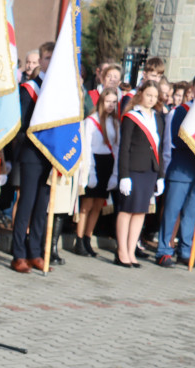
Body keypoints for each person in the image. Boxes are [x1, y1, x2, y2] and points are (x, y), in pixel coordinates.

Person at [9, 41, 52, 273]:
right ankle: (18, 254)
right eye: (46, 58)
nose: (49, 62)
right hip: (31, 154)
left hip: (51, 156)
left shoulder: (59, 89)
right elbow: (21, 125)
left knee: (42, 206)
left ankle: (35, 251)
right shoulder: (30, 88)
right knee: (26, 204)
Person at [156, 72, 195, 268]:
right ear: (192, 88)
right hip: (181, 168)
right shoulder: (182, 110)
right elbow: (175, 140)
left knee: (192, 214)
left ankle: (186, 251)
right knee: (171, 212)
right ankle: (164, 250)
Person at [115, 82, 163, 268]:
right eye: (148, 95)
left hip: (150, 171)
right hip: (133, 170)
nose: (151, 99)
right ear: (141, 94)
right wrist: (124, 175)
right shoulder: (131, 117)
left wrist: (160, 175)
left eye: (155, 96)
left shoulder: (157, 118)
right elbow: (124, 148)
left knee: (140, 212)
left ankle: (131, 249)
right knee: (127, 210)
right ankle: (121, 252)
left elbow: (159, 147)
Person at [74, 86, 120, 257]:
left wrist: (115, 173)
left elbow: (116, 147)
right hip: (92, 162)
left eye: (114, 102)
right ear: (101, 101)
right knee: (86, 204)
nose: (111, 105)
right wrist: (89, 171)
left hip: (107, 163)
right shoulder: (91, 120)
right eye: (108, 101)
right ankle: (79, 239)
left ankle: (88, 237)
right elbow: (85, 147)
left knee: (98, 204)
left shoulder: (115, 123)